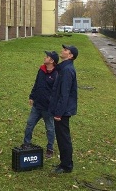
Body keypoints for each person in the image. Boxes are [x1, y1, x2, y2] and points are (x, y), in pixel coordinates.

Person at [22, 51, 59, 158]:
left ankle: (50, 149)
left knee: (50, 129)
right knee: (29, 124)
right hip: (37, 106)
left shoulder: (57, 74)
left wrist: (52, 103)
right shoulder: (41, 70)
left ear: (52, 61)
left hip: (48, 108)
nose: (45, 57)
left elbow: (57, 92)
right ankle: (26, 144)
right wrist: (32, 96)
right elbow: (37, 83)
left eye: (47, 57)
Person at [49, 44, 78, 174]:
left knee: (63, 138)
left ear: (70, 56)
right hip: (62, 109)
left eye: (66, 50)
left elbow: (64, 94)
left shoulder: (67, 70)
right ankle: (65, 162)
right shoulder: (64, 68)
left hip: (63, 111)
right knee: (61, 137)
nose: (62, 50)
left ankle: (66, 165)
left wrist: (59, 113)